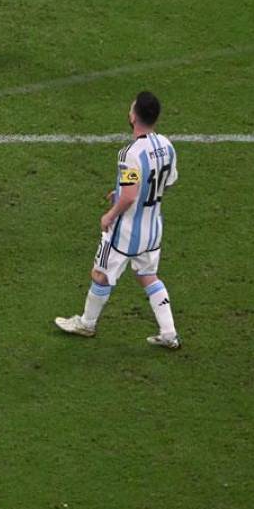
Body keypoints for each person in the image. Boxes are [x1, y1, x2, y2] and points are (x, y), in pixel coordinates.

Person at [55, 92, 181, 348]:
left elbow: (131, 195)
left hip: (125, 230)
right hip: (153, 228)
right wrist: (124, 192)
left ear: (134, 116)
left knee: (100, 273)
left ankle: (86, 324)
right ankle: (169, 333)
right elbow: (168, 183)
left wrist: (110, 213)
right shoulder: (167, 145)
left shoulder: (130, 153)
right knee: (148, 275)